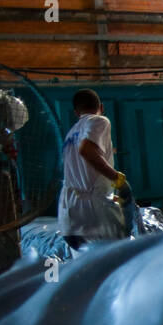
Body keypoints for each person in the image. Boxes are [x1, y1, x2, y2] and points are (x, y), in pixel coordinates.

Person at [58, 89, 129, 248]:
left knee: (88, 268)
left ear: (76, 112)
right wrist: (116, 177)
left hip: (69, 214)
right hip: (93, 213)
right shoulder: (99, 121)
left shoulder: (71, 133)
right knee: (114, 262)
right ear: (101, 107)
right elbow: (86, 150)